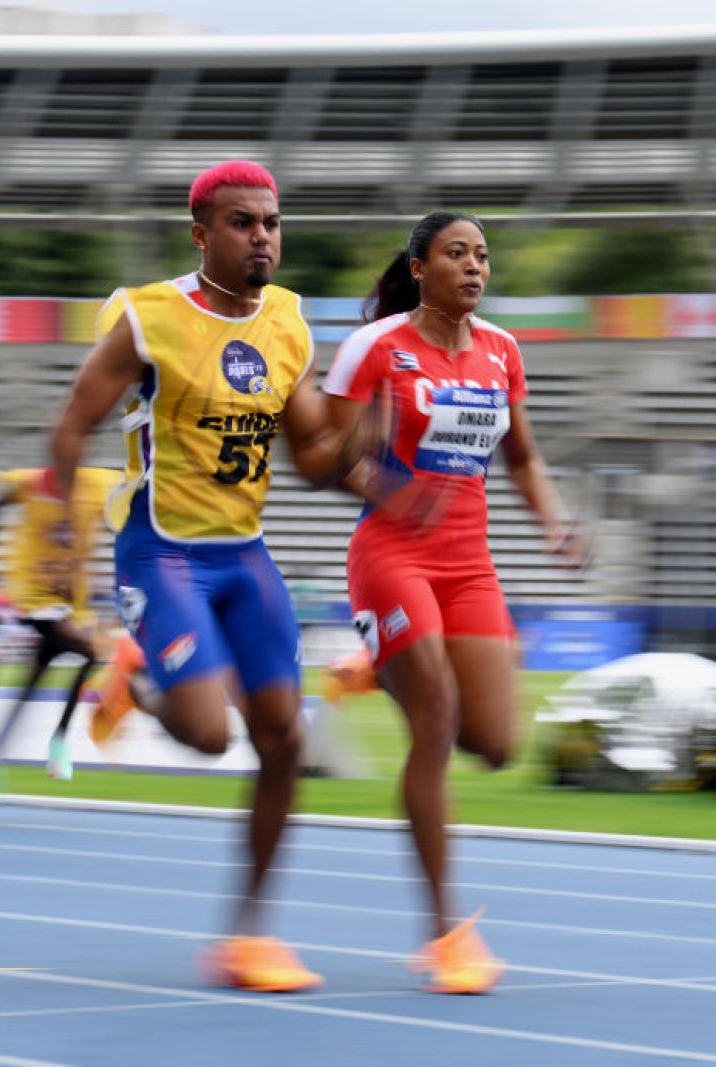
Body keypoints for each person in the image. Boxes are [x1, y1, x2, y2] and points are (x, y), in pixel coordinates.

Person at [47, 160, 353, 993]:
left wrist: (373, 426)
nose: (262, 238)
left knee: (286, 739)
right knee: (211, 735)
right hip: (163, 550)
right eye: (243, 223)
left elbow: (315, 449)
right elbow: (72, 426)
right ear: (201, 234)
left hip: (244, 555)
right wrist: (63, 540)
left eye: (272, 223)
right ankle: (136, 682)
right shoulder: (148, 319)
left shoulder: (289, 321)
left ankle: (249, 935)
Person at [323, 211, 576, 994]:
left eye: (483, 256)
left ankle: (379, 667)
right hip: (392, 554)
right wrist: (387, 485)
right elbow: (333, 454)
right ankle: (445, 933)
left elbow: (522, 457)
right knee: (433, 721)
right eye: (457, 253)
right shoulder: (377, 347)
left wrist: (555, 521)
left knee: (494, 744)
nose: (474, 267)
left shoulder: (502, 350)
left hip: (469, 564)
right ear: (419, 267)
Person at [0, 466, 120, 780]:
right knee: (89, 651)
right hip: (36, 599)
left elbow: (123, 509)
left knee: (34, 681)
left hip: (71, 605)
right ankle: (58, 742)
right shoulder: (31, 483)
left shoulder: (96, 484)